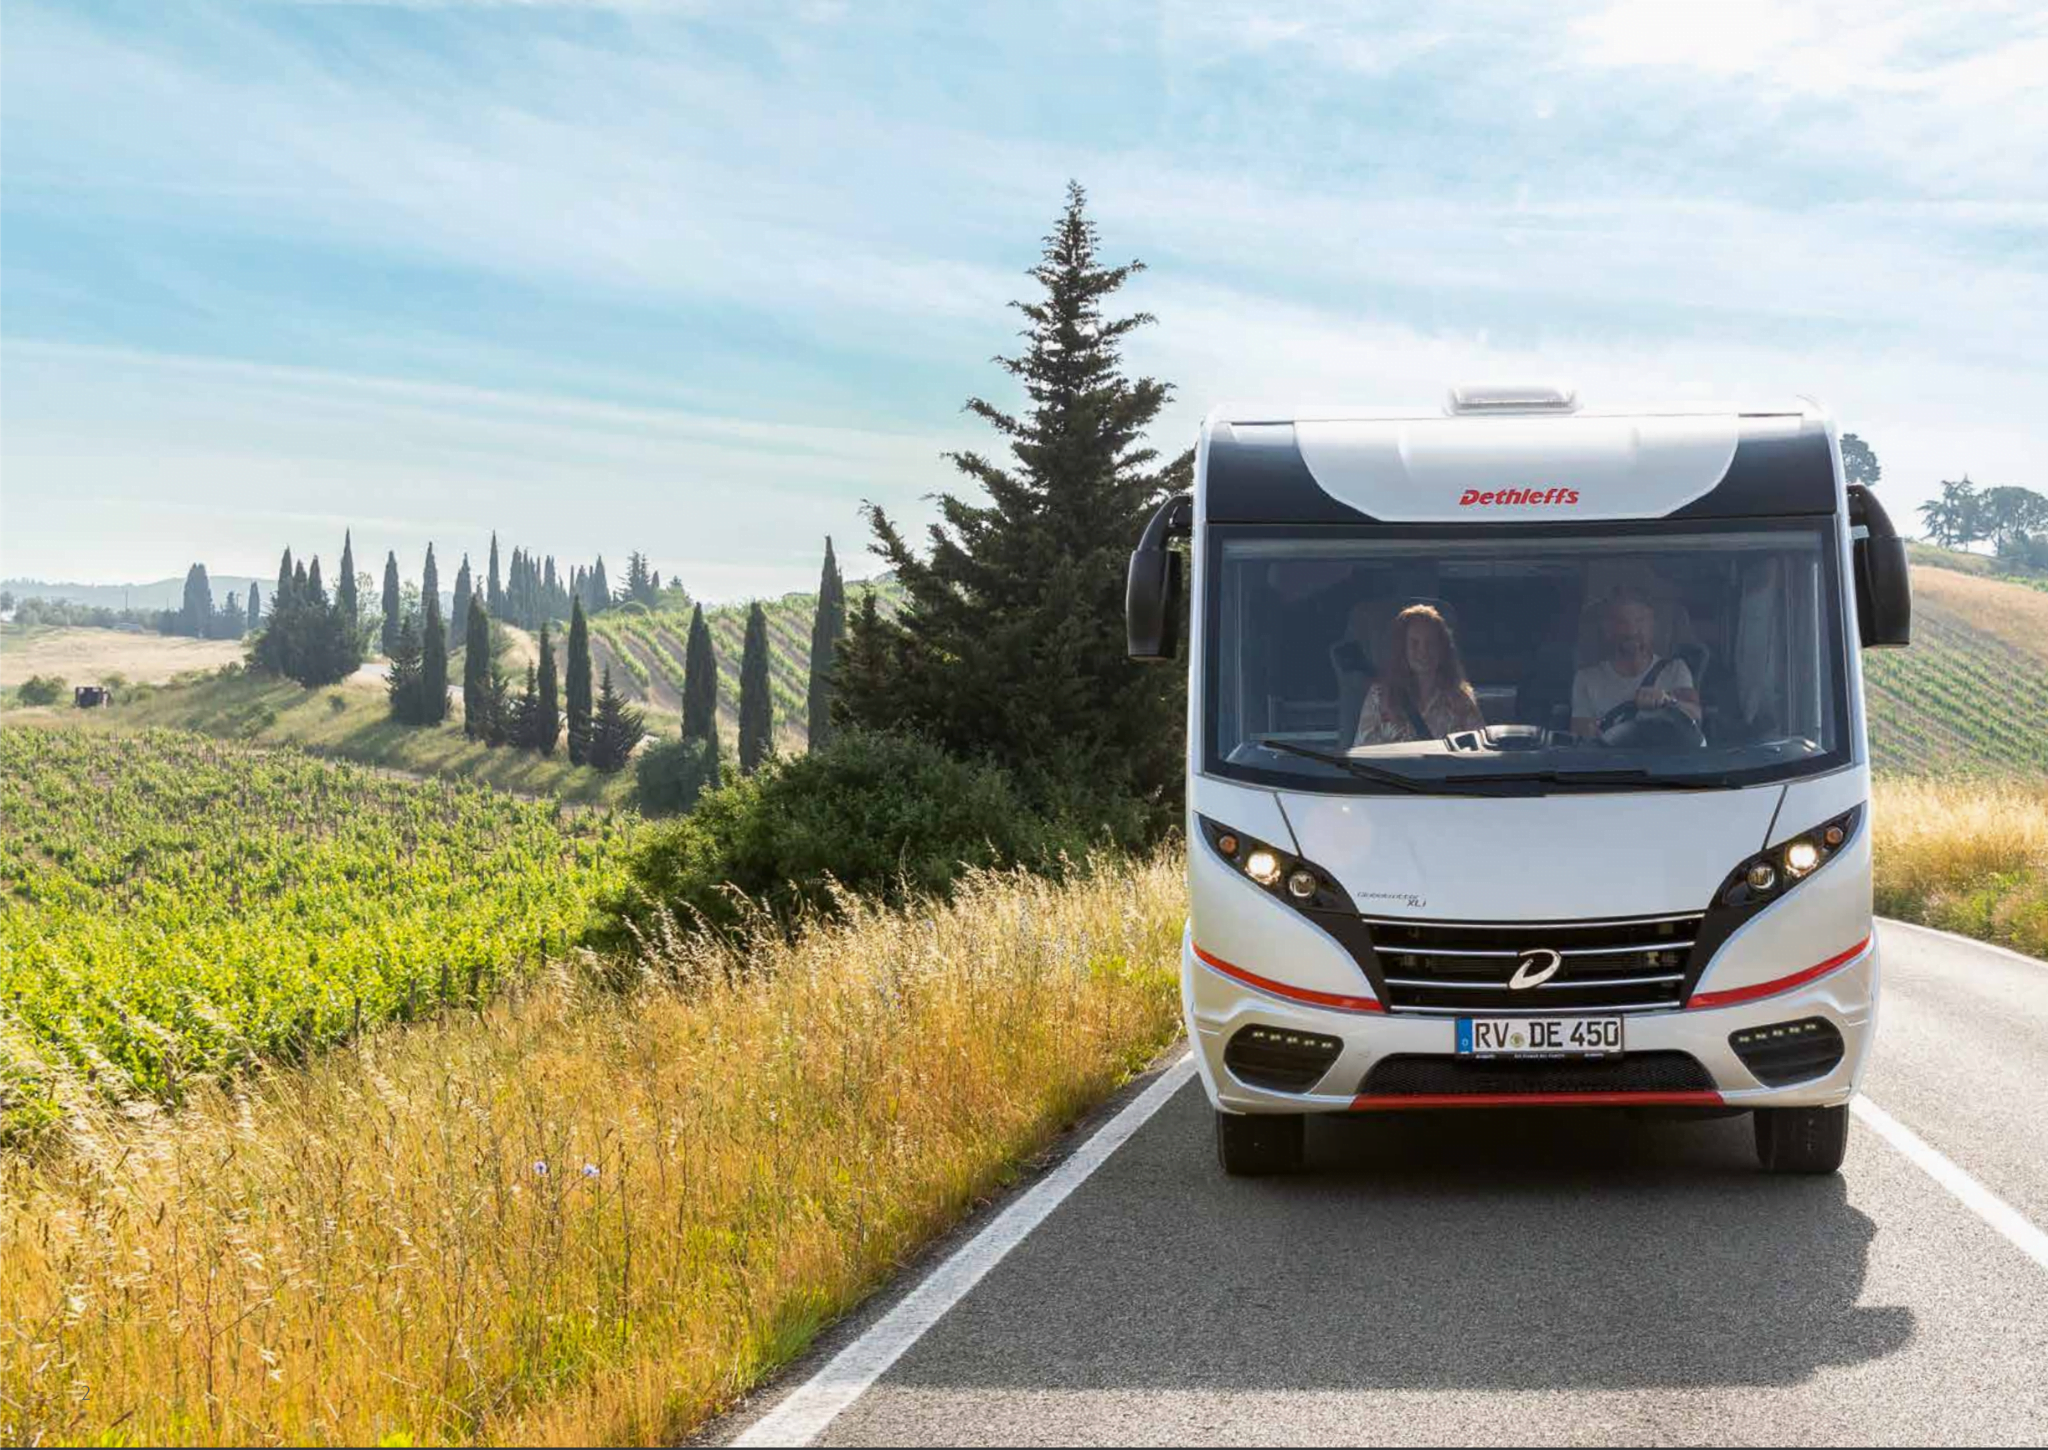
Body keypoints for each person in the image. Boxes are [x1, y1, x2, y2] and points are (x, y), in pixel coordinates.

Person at [1571, 587, 1700, 738]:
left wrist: (1667, 701)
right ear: (1607, 629)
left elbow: (1696, 715)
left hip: (1665, 759)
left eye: (1640, 620)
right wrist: (1592, 730)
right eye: (1621, 621)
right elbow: (1579, 733)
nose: (1631, 631)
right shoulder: (1586, 679)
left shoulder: (1675, 669)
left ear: (1652, 626)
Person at [1352, 603, 1485, 745]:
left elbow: (1479, 753)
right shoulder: (1379, 696)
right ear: (1402, 648)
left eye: (1431, 643)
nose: (1423, 651)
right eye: (1414, 643)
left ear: (1442, 649)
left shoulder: (1460, 700)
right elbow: (1362, 754)